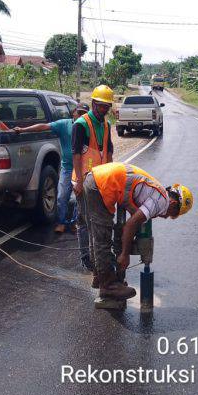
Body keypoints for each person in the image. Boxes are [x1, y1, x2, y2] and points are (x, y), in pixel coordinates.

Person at [81, 161, 193, 300]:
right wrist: (125, 254)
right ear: (173, 204)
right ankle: (108, 287)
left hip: (95, 179)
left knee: (96, 234)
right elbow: (130, 225)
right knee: (102, 238)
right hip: (102, 184)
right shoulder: (161, 201)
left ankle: (100, 276)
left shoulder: (156, 191)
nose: (166, 217)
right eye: (172, 214)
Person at [14, 102, 89, 233]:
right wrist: (23, 129)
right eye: (80, 113)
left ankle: (76, 221)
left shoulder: (89, 127)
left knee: (80, 198)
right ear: (74, 113)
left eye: (85, 114)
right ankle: (62, 222)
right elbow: (43, 126)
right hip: (67, 168)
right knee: (61, 197)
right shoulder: (64, 124)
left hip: (83, 169)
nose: (82, 116)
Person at [72, 85, 115, 270]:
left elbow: (109, 151)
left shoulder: (106, 125)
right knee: (84, 220)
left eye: (107, 106)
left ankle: (99, 256)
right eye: (101, 106)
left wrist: (111, 176)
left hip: (101, 180)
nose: (104, 110)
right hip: (84, 179)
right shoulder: (81, 124)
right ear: (93, 103)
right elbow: (75, 154)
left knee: (99, 219)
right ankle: (86, 258)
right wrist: (80, 182)